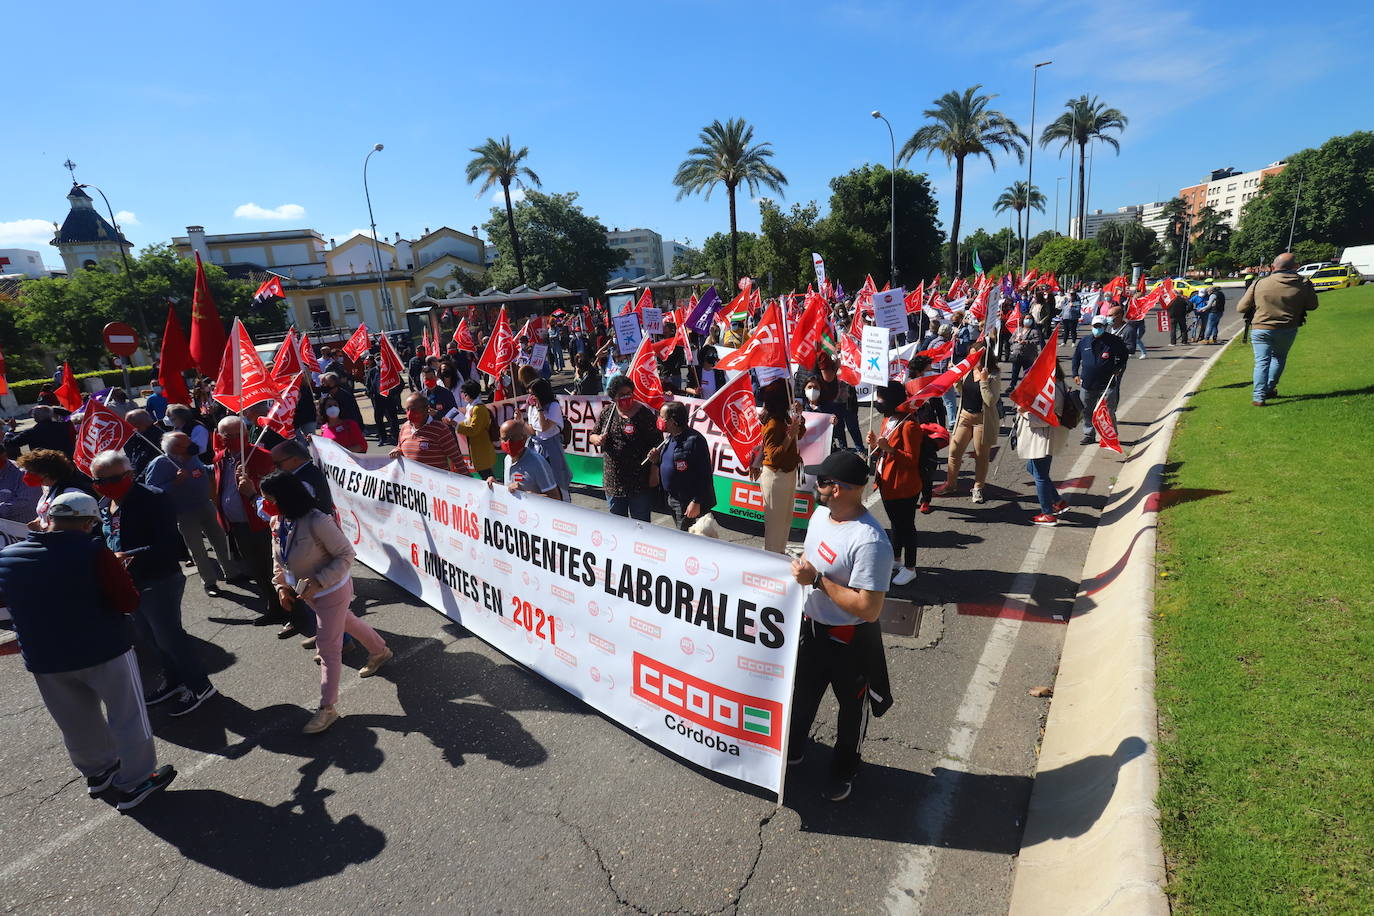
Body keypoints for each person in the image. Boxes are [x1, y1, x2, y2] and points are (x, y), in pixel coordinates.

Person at [0, 491, 177, 811]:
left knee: (75, 720)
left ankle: (98, 772)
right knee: (127, 715)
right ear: (87, 523)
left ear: (48, 519)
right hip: (102, 648)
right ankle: (136, 781)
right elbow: (128, 602)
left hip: (44, 657)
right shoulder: (93, 551)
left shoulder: (9, 556)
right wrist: (117, 569)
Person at [786, 450, 894, 803]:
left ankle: (845, 769)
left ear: (842, 489)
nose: (816, 484)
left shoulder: (870, 541)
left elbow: (869, 609)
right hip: (811, 630)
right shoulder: (820, 514)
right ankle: (794, 750)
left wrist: (817, 580)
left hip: (850, 642)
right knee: (800, 698)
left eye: (824, 480)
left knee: (851, 713)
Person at [261, 471, 392, 735]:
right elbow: (279, 558)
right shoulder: (279, 521)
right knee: (348, 621)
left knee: (328, 647)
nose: (264, 505)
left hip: (331, 590)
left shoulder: (317, 521)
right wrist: (281, 587)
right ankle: (380, 651)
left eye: (268, 499)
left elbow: (346, 554)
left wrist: (319, 582)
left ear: (283, 497)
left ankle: (327, 708)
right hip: (308, 594)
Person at [90, 450, 217, 717]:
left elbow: (169, 546)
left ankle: (200, 686)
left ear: (129, 475)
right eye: (97, 481)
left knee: (170, 637)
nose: (103, 486)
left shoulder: (153, 499)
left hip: (159, 579)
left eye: (110, 479)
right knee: (149, 637)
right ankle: (173, 681)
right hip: (130, 582)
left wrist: (131, 555)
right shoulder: (104, 503)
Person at [212, 416, 294, 631]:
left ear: (245, 435)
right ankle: (273, 607)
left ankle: (293, 614)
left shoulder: (262, 457)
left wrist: (253, 485)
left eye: (232, 435)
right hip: (237, 525)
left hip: (262, 523)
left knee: (277, 570)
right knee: (257, 570)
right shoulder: (221, 458)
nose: (227, 439)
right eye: (224, 435)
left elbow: (279, 492)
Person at [145, 431, 240, 596]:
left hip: (205, 505)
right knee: (198, 549)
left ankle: (231, 573)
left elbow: (202, 470)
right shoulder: (161, 463)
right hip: (184, 513)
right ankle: (210, 583)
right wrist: (175, 482)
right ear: (176, 448)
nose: (192, 443)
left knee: (220, 540)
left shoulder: (192, 457)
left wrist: (221, 466)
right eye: (187, 442)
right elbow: (151, 491)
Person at [1236, 253, 1319, 406]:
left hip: (1261, 327)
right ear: (1296, 267)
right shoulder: (1304, 283)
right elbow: (1312, 305)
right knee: (1279, 358)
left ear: (1273, 267)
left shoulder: (1259, 283)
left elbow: (1241, 308)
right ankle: (1269, 388)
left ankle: (1259, 396)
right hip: (1288, 327)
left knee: (1261, 362)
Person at [867, 382, 923, 586]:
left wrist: (889, 449)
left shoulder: (910, 425)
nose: (878, 401)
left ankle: (910, 567)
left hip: (904, 485)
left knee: (906, 526)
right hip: (886, 482)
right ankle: (897, 559)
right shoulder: (887, 420)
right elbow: (882, 449)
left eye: (881, 398)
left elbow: (911, 459)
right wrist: (875, 444)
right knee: (895, 525)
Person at [933, 342, 1000, 504]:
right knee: (954, 450)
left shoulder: (993, 374)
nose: (971, 358)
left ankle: (978, 487)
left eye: (975, 356)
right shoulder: (968, 370)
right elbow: (962, 391)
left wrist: (984, 381)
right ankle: (951, 484)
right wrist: (956, 377)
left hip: (982, 420)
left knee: (981, 456)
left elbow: (991, 401)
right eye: (970, 355)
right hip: (965, 416)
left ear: (983, 356)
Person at [588, 375, 660, 521]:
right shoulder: (607, 413)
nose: (626, 397)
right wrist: (597, 439)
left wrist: (654, 472)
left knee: (641, 525)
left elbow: (657, 444)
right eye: (621, 395)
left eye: (629, 393)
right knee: (618, 526)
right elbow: (592, 435)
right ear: (613, 397)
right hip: (614, 481)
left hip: (639, 482)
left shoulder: (644, 414)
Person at [1013, 364, 1072, 526]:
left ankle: (1047, 514)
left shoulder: (1052, 388)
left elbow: (1045, 419)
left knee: (1040, 475)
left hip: (1043, 438)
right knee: (1032, 469)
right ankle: (1058, 501)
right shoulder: (1058, 383)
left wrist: (1023, 412)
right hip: (1043, 437)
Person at [750, 380, 803, 554]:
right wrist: (789, 436)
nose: (792, 398)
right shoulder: (773, 423)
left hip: (787, 473)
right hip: (776, 476)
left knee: (785, 522)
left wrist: (799, 417)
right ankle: (772, 559)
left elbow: (800, 434)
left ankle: (778, 555)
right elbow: (774, 456)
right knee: (775, 528)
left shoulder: (784, 417)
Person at [652, 400, 717, 532]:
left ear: (674, 421)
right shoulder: (669, 438)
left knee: (687, 537)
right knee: (681, 532)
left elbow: (704, 475)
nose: (660, 420)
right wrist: (657, 460)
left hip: (688, 502)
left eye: (663, 417)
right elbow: (670, 465)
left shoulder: (694, 441)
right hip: (673, 498)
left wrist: (696, 501)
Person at [1073, 314, 1130, 444]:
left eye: (1100, 326)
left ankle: (1111, 436)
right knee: (1087, 410)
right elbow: (1076, 358)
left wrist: (1118, 367)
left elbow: (1124, 355)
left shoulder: (1114, 341)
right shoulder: (1084, 342)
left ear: (1105, 327)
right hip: (1087, 383)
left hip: (1107, 384)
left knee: (1108, 411)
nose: (1097, 329)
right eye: (1095, 326)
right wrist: (1075, 374)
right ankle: (1089, 434)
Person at [15, 448, 94, 530]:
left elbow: (70, 526)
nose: (27, 475)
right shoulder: (49, 488)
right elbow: (44, 514)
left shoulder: (70, 493)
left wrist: (42, 528)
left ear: (46, 472)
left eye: (31, 471)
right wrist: (38, 521)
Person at [391, 392, 466, 472]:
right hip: (411, 481)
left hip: (436, 482)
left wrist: (466, 480)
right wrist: (397, 450)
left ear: (426, 410)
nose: (409, 413)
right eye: (407, 409)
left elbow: (456, 458)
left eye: (413, 409)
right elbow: (400, 446)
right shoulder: (404, 427)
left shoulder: (440, 429)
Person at [525, 378, 570, 500]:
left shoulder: (553, 406)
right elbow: (532, 431)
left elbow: (544, 427)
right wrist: (520, 421)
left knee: (556, 478)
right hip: (536, 448)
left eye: (533, 394)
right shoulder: (531, 408)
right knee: (540, 479)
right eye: (529, 394)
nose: (530, 397)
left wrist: (540, 409)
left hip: (551, 448)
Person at [494, 420, 561, 499]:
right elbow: (510, 489)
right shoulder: (507, 459)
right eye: (505, 439)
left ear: (524, 438)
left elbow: (556, 498)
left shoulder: (537, 463)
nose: (508, 443)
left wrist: (526, 495)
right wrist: (495, 485)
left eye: (513, 438)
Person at [270, 439, 335, 517]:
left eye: (277, 464)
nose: (275, 468)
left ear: (295, 460)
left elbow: (290, 509)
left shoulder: (303, 482)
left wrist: (254, 497)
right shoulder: (306, 472)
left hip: (314, 526)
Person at [453, 380, 496, 480]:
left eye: (462, 393)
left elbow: (473, 430)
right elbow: (467, 423)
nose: (461, 395)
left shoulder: (478, 409)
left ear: (468, 394)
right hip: (477, 449)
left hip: (482, 449)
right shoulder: (471, 407)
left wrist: (457, 426)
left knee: (488, 476)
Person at [4, 405, 75, 457]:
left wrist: (10, 430)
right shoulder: (64, 426)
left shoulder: (31, 432)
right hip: (67, 462)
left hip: (44, 467)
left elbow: (10, 443)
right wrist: (50, 409)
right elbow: (69, 414)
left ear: (35, 418)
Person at [0, 442, 42, 524]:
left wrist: (2, 509)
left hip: (19, 531)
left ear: (4, 455)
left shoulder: (24, 473)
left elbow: (28, 503)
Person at [121, 410, 165, 478]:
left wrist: (137, 479)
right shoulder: (138, 437)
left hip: (151, 480)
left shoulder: (159, 439)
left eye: (129, 424)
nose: (128, 427)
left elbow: (150, 464)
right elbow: (131, 457)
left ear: (139, 424)